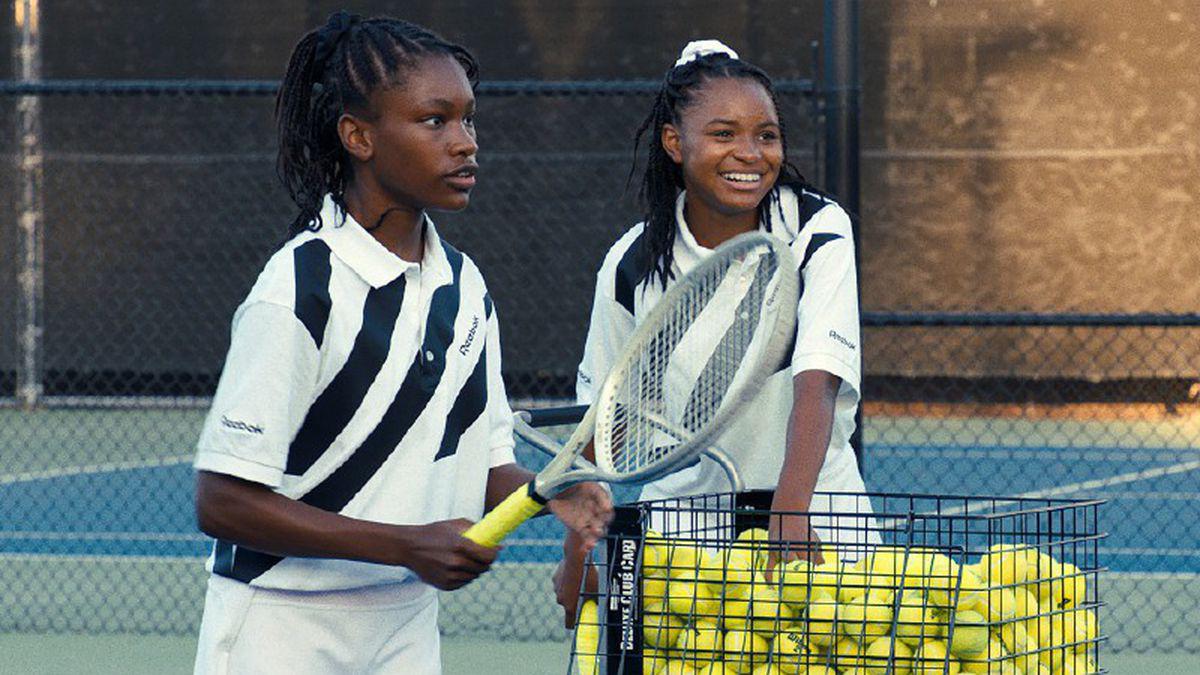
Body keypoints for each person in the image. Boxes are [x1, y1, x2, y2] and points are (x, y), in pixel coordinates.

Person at [191, 12, 611, 673]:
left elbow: (482, 464)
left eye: (468, 119)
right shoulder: (300, 288)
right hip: (278, 623)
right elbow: (223, 501)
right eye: (434, 121)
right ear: (358, 136)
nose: (465, 143)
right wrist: (405, 545)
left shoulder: (465, 287)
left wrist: (553, 491)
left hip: (407, 625)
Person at [555, 40, 877, 627]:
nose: (750, 154)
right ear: (674, 143)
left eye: (766, 135)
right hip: (684, 543)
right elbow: (604, 423)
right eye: (724, 134)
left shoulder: (816, 227)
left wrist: (791, 513)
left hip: (819, 522)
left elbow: (819, 383)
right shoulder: (629, 264)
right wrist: (577, 550)